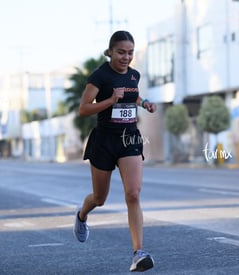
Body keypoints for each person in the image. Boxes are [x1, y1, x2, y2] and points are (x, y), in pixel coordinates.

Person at [73, 30, 157, 272]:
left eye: (130, 52)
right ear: (110, 51)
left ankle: (138, 253)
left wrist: (144, 103)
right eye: (121, 52)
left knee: (133, 193)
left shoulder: (134, 75)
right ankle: (82, 215)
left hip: (129, 138)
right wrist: (110, 100)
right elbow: (84, 109)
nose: (126, 57)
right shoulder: (99, 76)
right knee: (99, 198)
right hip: (105, 141)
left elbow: (133, 95)